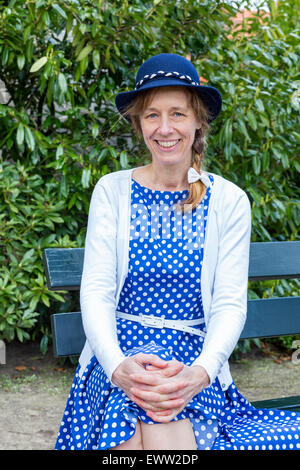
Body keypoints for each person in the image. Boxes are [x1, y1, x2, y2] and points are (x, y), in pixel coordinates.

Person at [55, 53, 300, 450]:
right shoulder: (112, 191)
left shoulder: (229, 201)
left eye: (177, 114)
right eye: (152, 115)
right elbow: (97, 291)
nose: (165, 128)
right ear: (138, 124)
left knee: (162, 406)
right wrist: (118, 367)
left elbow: (229, 304)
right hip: (117, 356)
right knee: (132, 405)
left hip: (191, 361)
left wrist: (200, 373)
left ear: (198, 120)